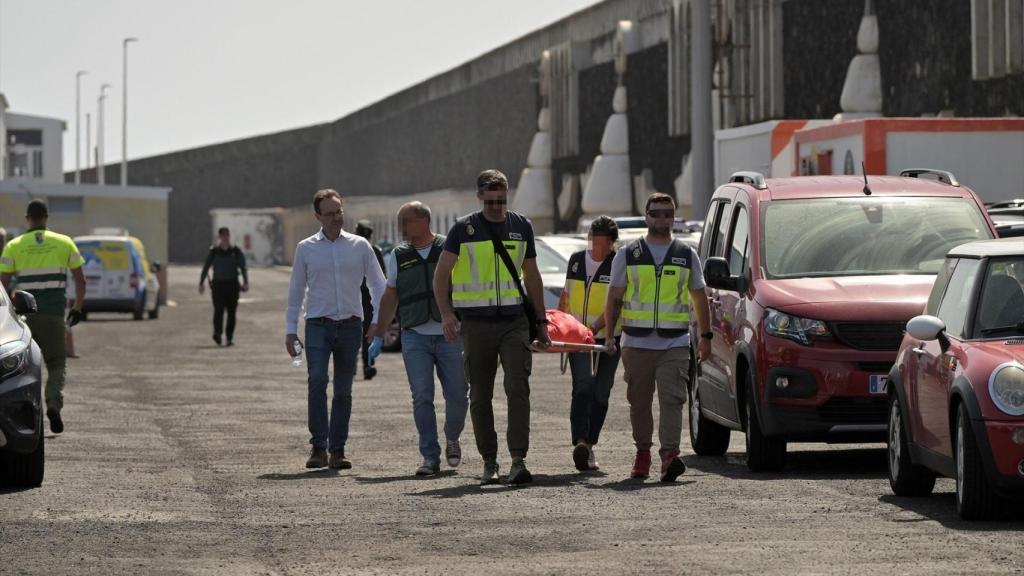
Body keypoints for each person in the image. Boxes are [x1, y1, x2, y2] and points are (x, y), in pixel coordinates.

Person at [433, 169, 551, 486]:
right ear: (479, 196)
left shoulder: (521, 226)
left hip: (514, 322)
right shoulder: (463, 229)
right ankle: (489, 461)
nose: (497, 207)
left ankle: (518, 459)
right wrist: (447, 314)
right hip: (476, 325)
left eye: (502, 200)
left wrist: (541, 321)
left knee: (517, 387)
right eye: (491, 201)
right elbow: (441, 274)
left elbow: (532, 275)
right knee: (481, 396)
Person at [604, 192, 712, 482]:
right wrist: (611, 336)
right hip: (636, 343)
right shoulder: (628, 254)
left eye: (667, 213)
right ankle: (643, 452)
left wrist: (706, 336)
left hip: (674, 342)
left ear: (674, 217)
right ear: (646, 216)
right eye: (656, 213)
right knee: (639, 403)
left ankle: (669, 456)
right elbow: (614, 296)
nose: (662, 218)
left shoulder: (686, 254)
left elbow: (700, 298)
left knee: (672, 400)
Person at [285, 189, 386, 469]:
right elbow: (295, 292)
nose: (335, 218)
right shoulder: (306, 248)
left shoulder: (360, 246)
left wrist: (378, 321)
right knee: (317, 380)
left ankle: (337, 449)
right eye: (329, 214)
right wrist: (290, 330)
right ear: (317, 216)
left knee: (343, 390)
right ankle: (318, 447)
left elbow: (378, 284)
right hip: (318, 325)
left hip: (351, 326)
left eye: (339, 212)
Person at [372, 201, 468, 476]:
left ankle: (452, 438)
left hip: (450, 335)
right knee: (422, 397)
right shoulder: (399, 255)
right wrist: (379, 333)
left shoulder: (449, 249)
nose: (401, 227)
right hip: (415, 335)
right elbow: (391, 295)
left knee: (459, 395)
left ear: (424, 220)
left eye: (406, 221)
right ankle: (429, 456)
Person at [0, 200, 86, 434]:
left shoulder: (14, 246)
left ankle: (28, 415)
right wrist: (77, 308)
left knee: (23, 369)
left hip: (22, 320)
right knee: (57, 363)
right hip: (54, 316)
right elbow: (80, 279)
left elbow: (3, 285)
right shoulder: (65, 242)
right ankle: (54, 404)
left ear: (28, 218)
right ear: (46, 217)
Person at [557, 215, 621, 472]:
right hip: (577, 337)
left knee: (601, 392)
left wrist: (594, 328)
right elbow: (566, 295)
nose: (596, 243)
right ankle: (581, 443)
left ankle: (590, 443)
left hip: (609, 337)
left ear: (611, 242)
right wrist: (559, 325)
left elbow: (617, 302)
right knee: (582, 385)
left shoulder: (617, 264)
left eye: (601, 239)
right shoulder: (575, 261)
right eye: (593, 237)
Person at [199, 227, 249, 346]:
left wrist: (246, 282)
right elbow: (206, 267)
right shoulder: (214, 252)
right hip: (218, 286)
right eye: (223, 236)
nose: (225, 238)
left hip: (232, 285)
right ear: (219, 237)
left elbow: (243, 267)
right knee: (218, 311)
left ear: (229, 236)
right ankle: (217, 333)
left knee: (232, 313)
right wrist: (201, 283)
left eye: (227, 235)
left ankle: (229, 338)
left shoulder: (236, 251)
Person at [355, 220, 385, 380]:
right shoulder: (375, 251)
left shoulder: (352, 250)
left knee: (358, 333)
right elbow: (382, 278)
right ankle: (368, 365)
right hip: (365, 297)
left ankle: (357, 367)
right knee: (367, 333)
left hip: (360, 296)